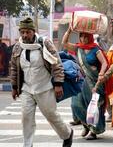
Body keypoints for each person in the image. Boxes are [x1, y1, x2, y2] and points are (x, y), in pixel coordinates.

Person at [10, 17, 73, 147]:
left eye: (28, 32)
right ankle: (28, 144)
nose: (25, 35)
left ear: (34, 31)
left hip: (44, 87)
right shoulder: (17, 47)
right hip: (27, 89)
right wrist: (14, 86)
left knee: (51, 115)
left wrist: (58, 84)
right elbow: (14, 67)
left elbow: (57, 63)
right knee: (26, 117)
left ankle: (67, 134)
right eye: (23, 32)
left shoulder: (44, 43)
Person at [62, 26, 109, 140]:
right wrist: (69, 30)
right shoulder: (78, 48)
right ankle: (86, 125)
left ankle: (94, 130)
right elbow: (64, 43)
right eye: (81, 36)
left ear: (90, 37)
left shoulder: (95, 49)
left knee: (93, 107)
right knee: (76, 105)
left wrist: (102, 73)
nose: (83, 38)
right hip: (80, 81)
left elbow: (104, 63)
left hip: (94, 82)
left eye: (85, 36)